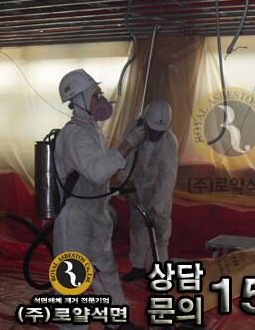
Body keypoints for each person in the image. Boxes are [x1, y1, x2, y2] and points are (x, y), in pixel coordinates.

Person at [54, 68, 145, 330]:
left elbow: (97, 176)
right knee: (72, 278)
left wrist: (109, 200)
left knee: (106, 271)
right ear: (79, 99)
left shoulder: (91, 130)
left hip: (95, 213)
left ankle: (116, 321)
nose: (102, 100)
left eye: (99, 93)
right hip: (75, 218)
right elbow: (97, 172)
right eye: (96, 95)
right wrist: (128, 143)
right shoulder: (74, 134)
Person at [121, 99, 179, 282]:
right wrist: (128, 187)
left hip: (158, 191)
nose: (155, 134)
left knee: (160, 233)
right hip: (137, 187)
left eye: (159, 132)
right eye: (152, 130)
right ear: (145, 120)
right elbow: (123, 160)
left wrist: (156, 207)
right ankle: (138, 267)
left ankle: (158, 271)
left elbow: (168, 178)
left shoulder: (169, 142)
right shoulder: (133, 131)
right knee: (138, 229)